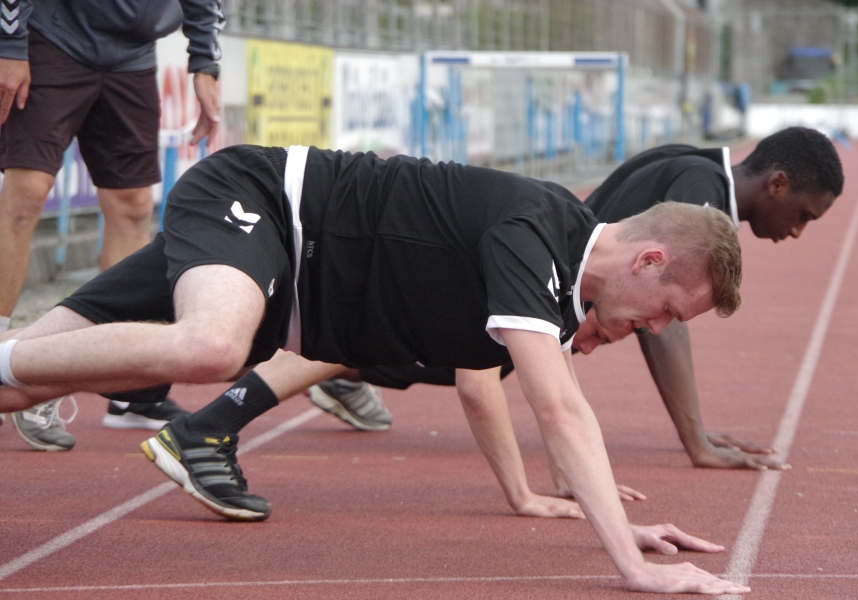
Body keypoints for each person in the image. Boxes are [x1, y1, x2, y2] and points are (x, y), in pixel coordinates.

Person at [0, 145, 749, 595]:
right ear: (650, 260)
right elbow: (560, 413)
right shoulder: (541, 233)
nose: (656, 330)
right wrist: (635, 570)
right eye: (667, 312)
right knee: (211, 349)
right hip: (263, 205)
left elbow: (540, 403)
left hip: (271, 276)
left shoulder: (555, 297)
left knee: (26, 380)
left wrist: (616, 522)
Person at [314, 126, 845, 475]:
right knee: (438, 351)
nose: (797, 232)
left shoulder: (693, 160)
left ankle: (337, 363)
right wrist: (696, 440)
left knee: (429, 351)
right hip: (542, 285)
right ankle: (300, 366)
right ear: (778, 184)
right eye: (804, 215)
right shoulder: (701, 197)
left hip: (552, 285)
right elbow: (668, 323)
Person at [0, 0, 225, 450]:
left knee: (134, 206)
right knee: (25, 197)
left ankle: (124, 390)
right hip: (53, 40)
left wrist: (205, 60)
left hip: (133, 54)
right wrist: (9, 42)